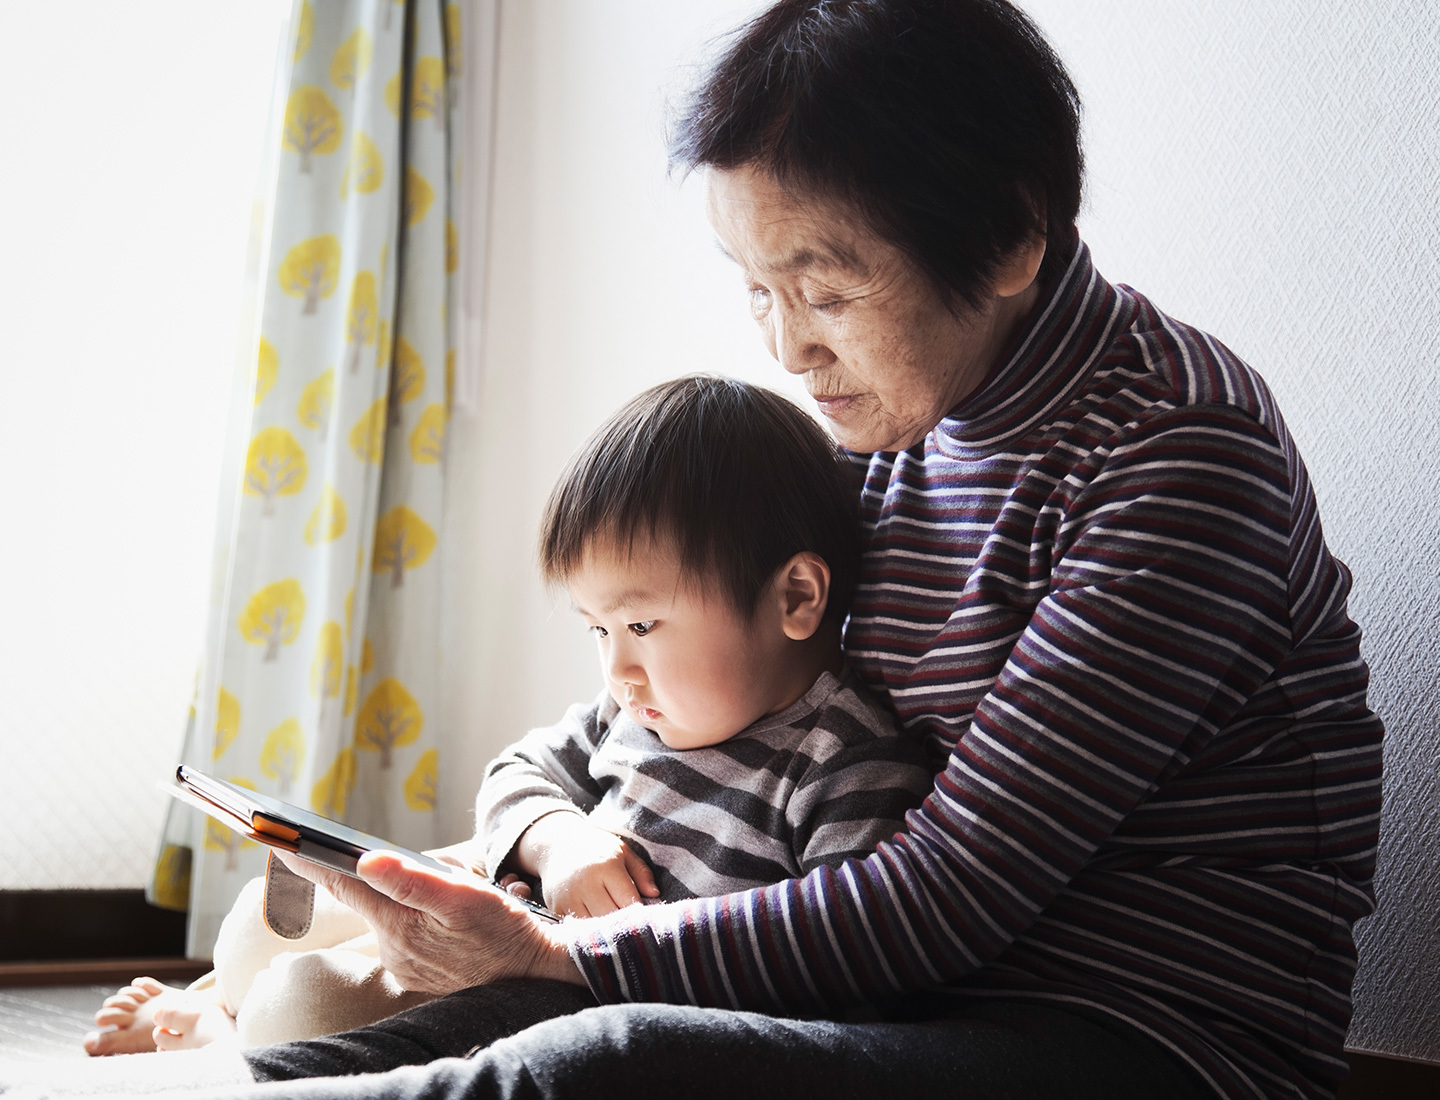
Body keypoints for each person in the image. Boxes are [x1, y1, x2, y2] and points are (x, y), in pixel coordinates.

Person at [17, 1, 1382, 1098]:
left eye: (828, 289)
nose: (789, 348)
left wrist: (572, 954)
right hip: (915, 1000)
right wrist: (542, 862)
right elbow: (646, 713)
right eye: (757, 291)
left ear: (1015, 231)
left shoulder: (1175, 454)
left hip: (1141, 1042)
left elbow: (949, 901)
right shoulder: (887, 433)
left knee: (604, 1051)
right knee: (427, 1019)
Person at [79, 376, 932, 1060]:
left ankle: (230, 1031)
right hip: (507, 901)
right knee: (256, 929)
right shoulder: (632, 708)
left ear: (796, 596)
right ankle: (217, 995)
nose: (618, 668)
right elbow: (517, 773)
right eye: (598, 630)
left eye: (640, 626)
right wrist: (557, 839)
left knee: (301, 1005)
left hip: (573, 985)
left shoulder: (843, 765)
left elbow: (834, 971)